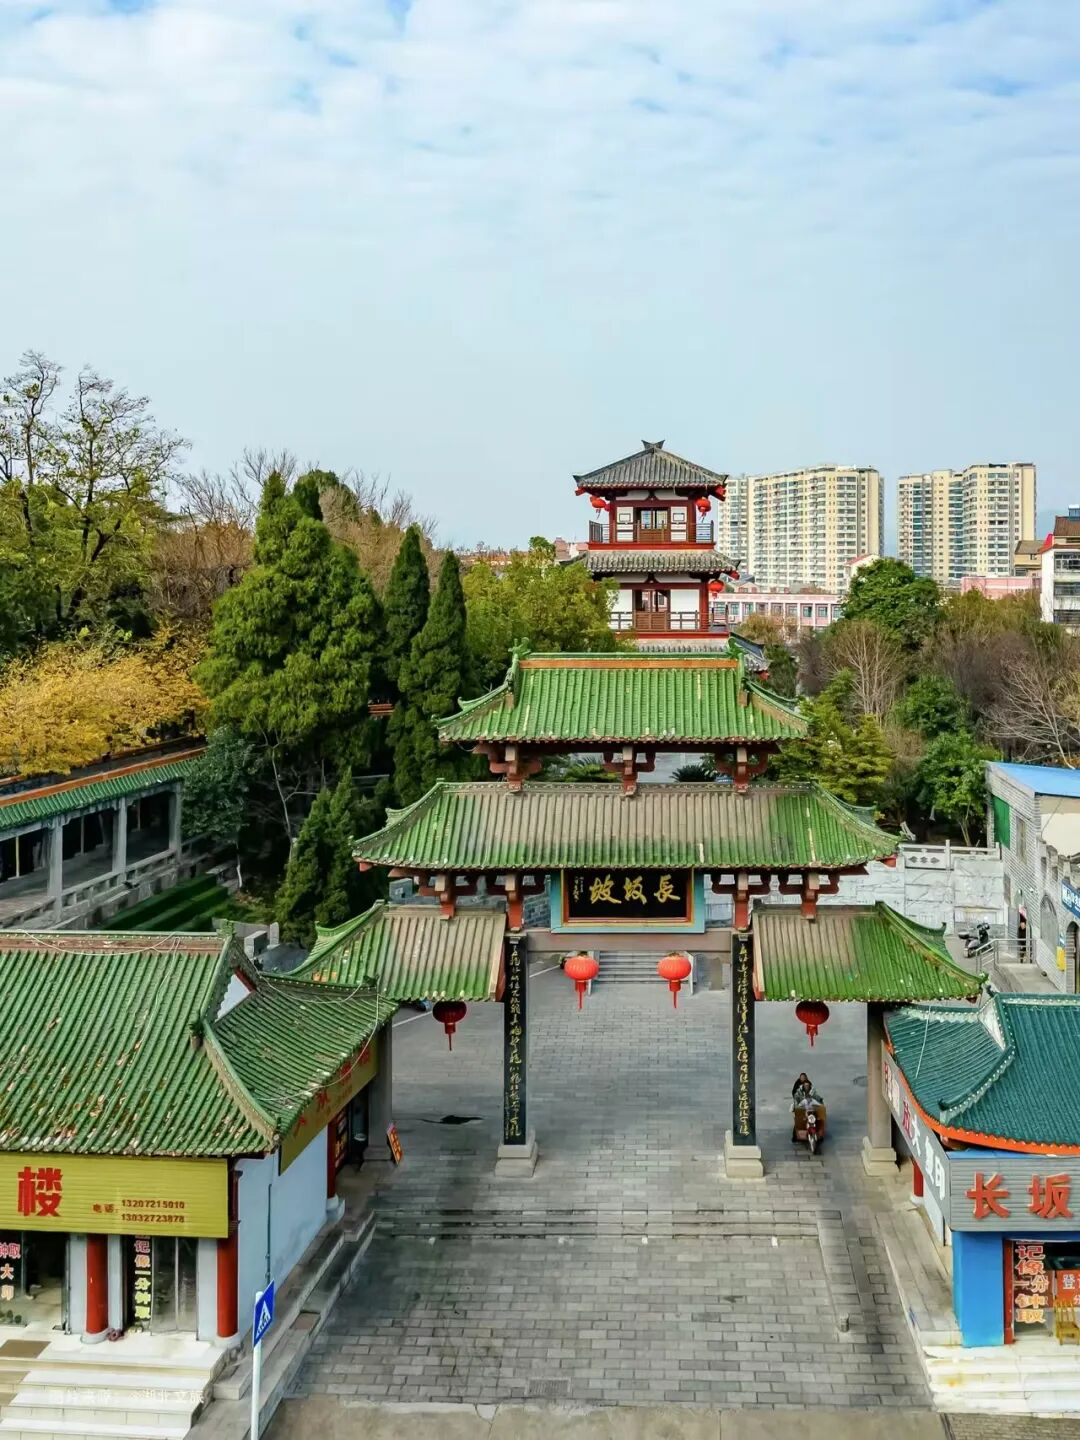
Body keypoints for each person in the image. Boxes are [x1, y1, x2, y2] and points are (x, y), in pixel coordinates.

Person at [791, 1073, 823, 1140]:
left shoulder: (811, 1090)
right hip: (802, 1107)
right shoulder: (798, 1088)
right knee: (798, 1121)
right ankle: (795, 1136)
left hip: (811, 1109)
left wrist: (820, 1101)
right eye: (805, 1085)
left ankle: (819, 1134)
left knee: (818, 1119)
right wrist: (796, 1105)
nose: (807, 1086)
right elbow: (795, 1096)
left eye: (808, 1085)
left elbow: (816, 1096)